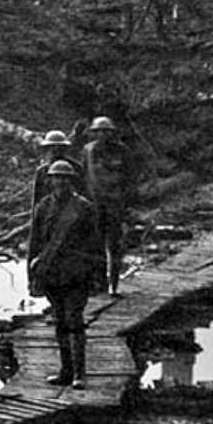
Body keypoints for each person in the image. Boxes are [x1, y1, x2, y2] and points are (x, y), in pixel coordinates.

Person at [27, 159, 104, 387]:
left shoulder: (84, 207)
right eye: (56, 178)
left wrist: (99, 276)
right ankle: (66, 371)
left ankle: (80, 374)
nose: (60, 182)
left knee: (75, 320)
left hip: (76, 273)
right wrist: (33, 278)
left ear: (72, 181)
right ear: (50, 181)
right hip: (52, 273)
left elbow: (96, 244)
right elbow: (35, 244)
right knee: (60, 321)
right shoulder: (43, 207)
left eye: (64, 178)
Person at [82, 115, 134, 295]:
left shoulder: (122, 151)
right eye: (98, 132)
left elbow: (130, 178)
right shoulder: (88, 150)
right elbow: (83, 177)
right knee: (95, 245)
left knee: (115, 245)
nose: (102, 135)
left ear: (112, 133)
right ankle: (100, 283)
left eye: (106, 131)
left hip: (115, 204)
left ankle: (114, 284)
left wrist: (125, 202)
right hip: (94, 204)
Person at [29, 129, 86, 211]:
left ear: (65, 149)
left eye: (60, 148)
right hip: (48, 211)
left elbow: (83, 192)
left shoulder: (76, 168)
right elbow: (37, 198)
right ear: (47, 149)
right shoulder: (42, 171)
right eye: (53, 148)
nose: (56, 151)